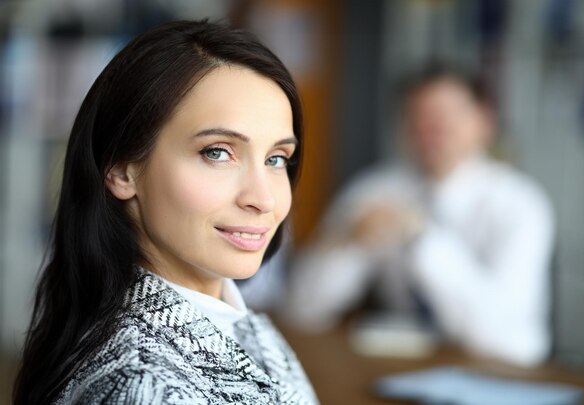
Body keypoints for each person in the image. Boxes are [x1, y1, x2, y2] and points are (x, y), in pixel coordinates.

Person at [12, 19, 318, 404]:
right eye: (217, 152)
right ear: (122, 169)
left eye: (276, 159)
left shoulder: (244, 326)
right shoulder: (144, 386)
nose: (264, 199)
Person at [286, 65, 555, 367]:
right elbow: (301, 308)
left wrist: (423, 239)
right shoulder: (374, 191)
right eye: (418, 116)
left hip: (503, 373)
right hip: (401, 368)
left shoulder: (521, 203)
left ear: (484, 121)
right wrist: (350, 242)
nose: (431, 128)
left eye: (447, 115)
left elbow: (505, 337)